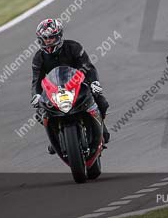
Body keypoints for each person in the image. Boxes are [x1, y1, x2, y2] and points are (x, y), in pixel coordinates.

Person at [31, 18, 110, 151]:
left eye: (51, 37)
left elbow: (88, 67)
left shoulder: (74, 47)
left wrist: (94, 82)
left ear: (59, 36)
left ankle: (101, 127)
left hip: (77, 86)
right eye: (45, 38)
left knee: (101, 100)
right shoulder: (38, 57)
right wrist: (36, 95)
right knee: (40, 113)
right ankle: (55, 139)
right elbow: (36, 81)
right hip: (54, 92)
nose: (48, 40)